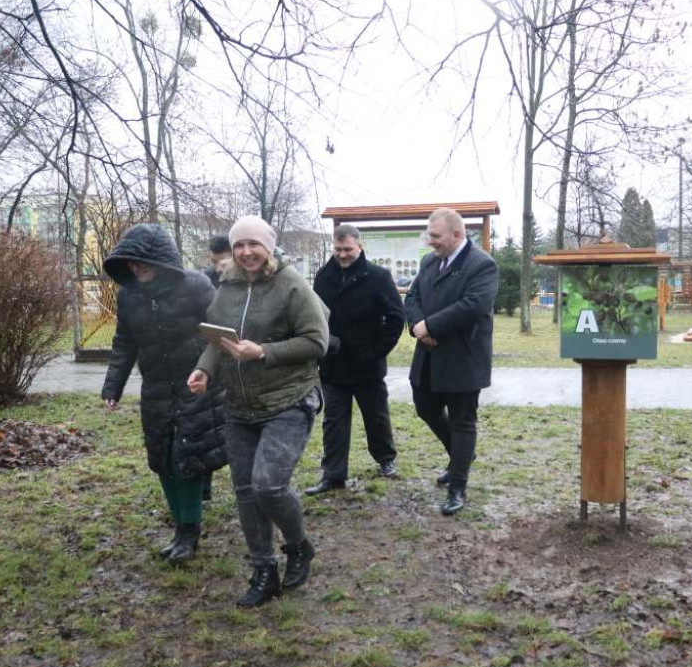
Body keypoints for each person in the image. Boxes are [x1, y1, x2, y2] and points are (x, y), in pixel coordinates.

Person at [187, 215, 328, 607]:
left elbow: (317, 342)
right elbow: (217, 340)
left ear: (269, 246)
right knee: (246, 492)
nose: (246, 252)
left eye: (254, 244)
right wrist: (203, 369)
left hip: (288, 400)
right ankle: (263, 569)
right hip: (239, 406)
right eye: (239, 245)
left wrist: (263, 351)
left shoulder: (292, 285)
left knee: (268, 485)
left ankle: (298, 546)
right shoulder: (227, 287)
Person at [101, 223, 227, 564]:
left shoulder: (197, 285)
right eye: (129, 262)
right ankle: (181, 525)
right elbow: (124, 343)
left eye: (140, 261)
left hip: (195, 384)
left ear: (160, 259)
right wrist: (113, 384)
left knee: (184, 458)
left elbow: (222, 333)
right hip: (156, 388)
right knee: (162, 461)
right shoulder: (129, 295)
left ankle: (188, 531)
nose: (134, 268)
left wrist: (213, 371)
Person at [404, 208, 497, 516]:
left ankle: (458, 486)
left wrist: (430, 326)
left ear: (457, 235)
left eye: (436, 236)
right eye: (429, 235)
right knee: (426, 409)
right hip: (428, 356)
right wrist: (420, 327)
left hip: (463, 359)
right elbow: (412, 298)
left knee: (462, 421)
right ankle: (460, 456)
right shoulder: (429, 262)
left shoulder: (482, 265)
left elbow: (473, 305)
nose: (430, 242)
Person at [305, 224, 405, 495]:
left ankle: (386, 459)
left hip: (367, 364)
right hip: (333, 364)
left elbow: (396, 318)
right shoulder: (324, 276)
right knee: (334, 420)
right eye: (338, 249)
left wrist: (375, 352)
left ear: (359, 247)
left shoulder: (378, 276)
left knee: (376, 416)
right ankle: (333, 475)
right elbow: (316, 316)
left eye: (347, 249)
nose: (342, 254)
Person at [200, 235, 232, 503]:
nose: (218, 266)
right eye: (214, 261)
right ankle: (204, 487)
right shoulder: (205, 280)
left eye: (223, 260)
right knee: (207, 424)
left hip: (240, 360)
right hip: (210, 360)